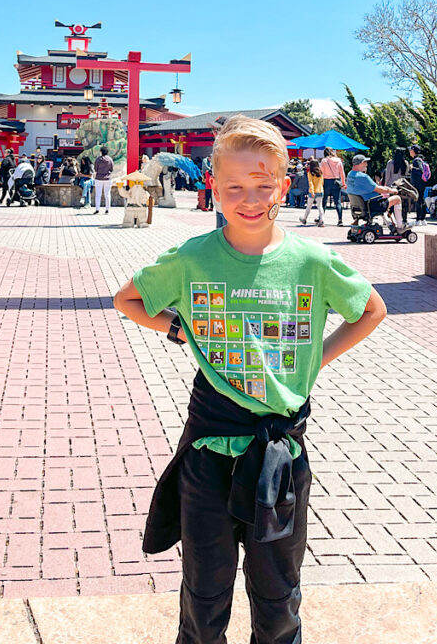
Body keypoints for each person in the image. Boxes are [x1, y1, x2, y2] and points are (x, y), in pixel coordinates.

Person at [113, 115, 386, 644]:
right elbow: (126, 298)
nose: (250, 198)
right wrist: (180, 332)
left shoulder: (312, 259)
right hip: (209, 453)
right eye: (235, 186)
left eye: (264, 184)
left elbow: (370, 311)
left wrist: (314, 363)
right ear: (212, 186)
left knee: (279, 594)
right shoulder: (194, 257)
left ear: (284, 185)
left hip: (280, 458)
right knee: (204, 592)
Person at [346, 154, 405, 230]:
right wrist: (392, 190)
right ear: (361, 163)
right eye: (365, 162)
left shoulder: (350, 174)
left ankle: (389, 224)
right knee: (397, 199)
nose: (366, 164)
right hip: (371, 205)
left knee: (384, 200)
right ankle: (400, 226)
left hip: (358, 205)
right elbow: (378, 189)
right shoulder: (363, 177)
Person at [320, 147, 346, 226]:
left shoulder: (324, 161)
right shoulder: (338, 160)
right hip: (336, 181)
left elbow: (321, 173)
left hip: (326, 181)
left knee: (324, 201)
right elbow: (342, 173)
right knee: (337, 201)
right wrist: (344, 183)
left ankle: (322, 219)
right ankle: (340, 220)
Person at [299, 158, 325, 226]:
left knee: (309, 206)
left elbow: (310, 183)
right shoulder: (321, 173)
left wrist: (312, 191)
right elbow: (322, 182)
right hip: (320, 190)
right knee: (320, 206)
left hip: (312, 191)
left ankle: (304, 219)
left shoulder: (310, 173)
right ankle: (322, 220)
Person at [409, 144, 428, 225]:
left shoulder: (416, 160)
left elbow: (420, 171)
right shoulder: (420, 159)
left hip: (418, 183)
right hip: (422, 183)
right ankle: (422, 219)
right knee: (421, 200)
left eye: (411, 150)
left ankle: (418, 219)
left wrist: (412, 168)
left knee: (418, 200)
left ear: (413, 151)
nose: (410, 152)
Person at [93, 146, 114, 214]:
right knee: (107, 194)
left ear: (101, 152)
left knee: (98, 194)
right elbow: (111, 169)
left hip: (99, 178)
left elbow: (95, 169)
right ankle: (107, 209)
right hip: (108, 178)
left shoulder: (98, 159)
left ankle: (97, 209)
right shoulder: (110, 159)